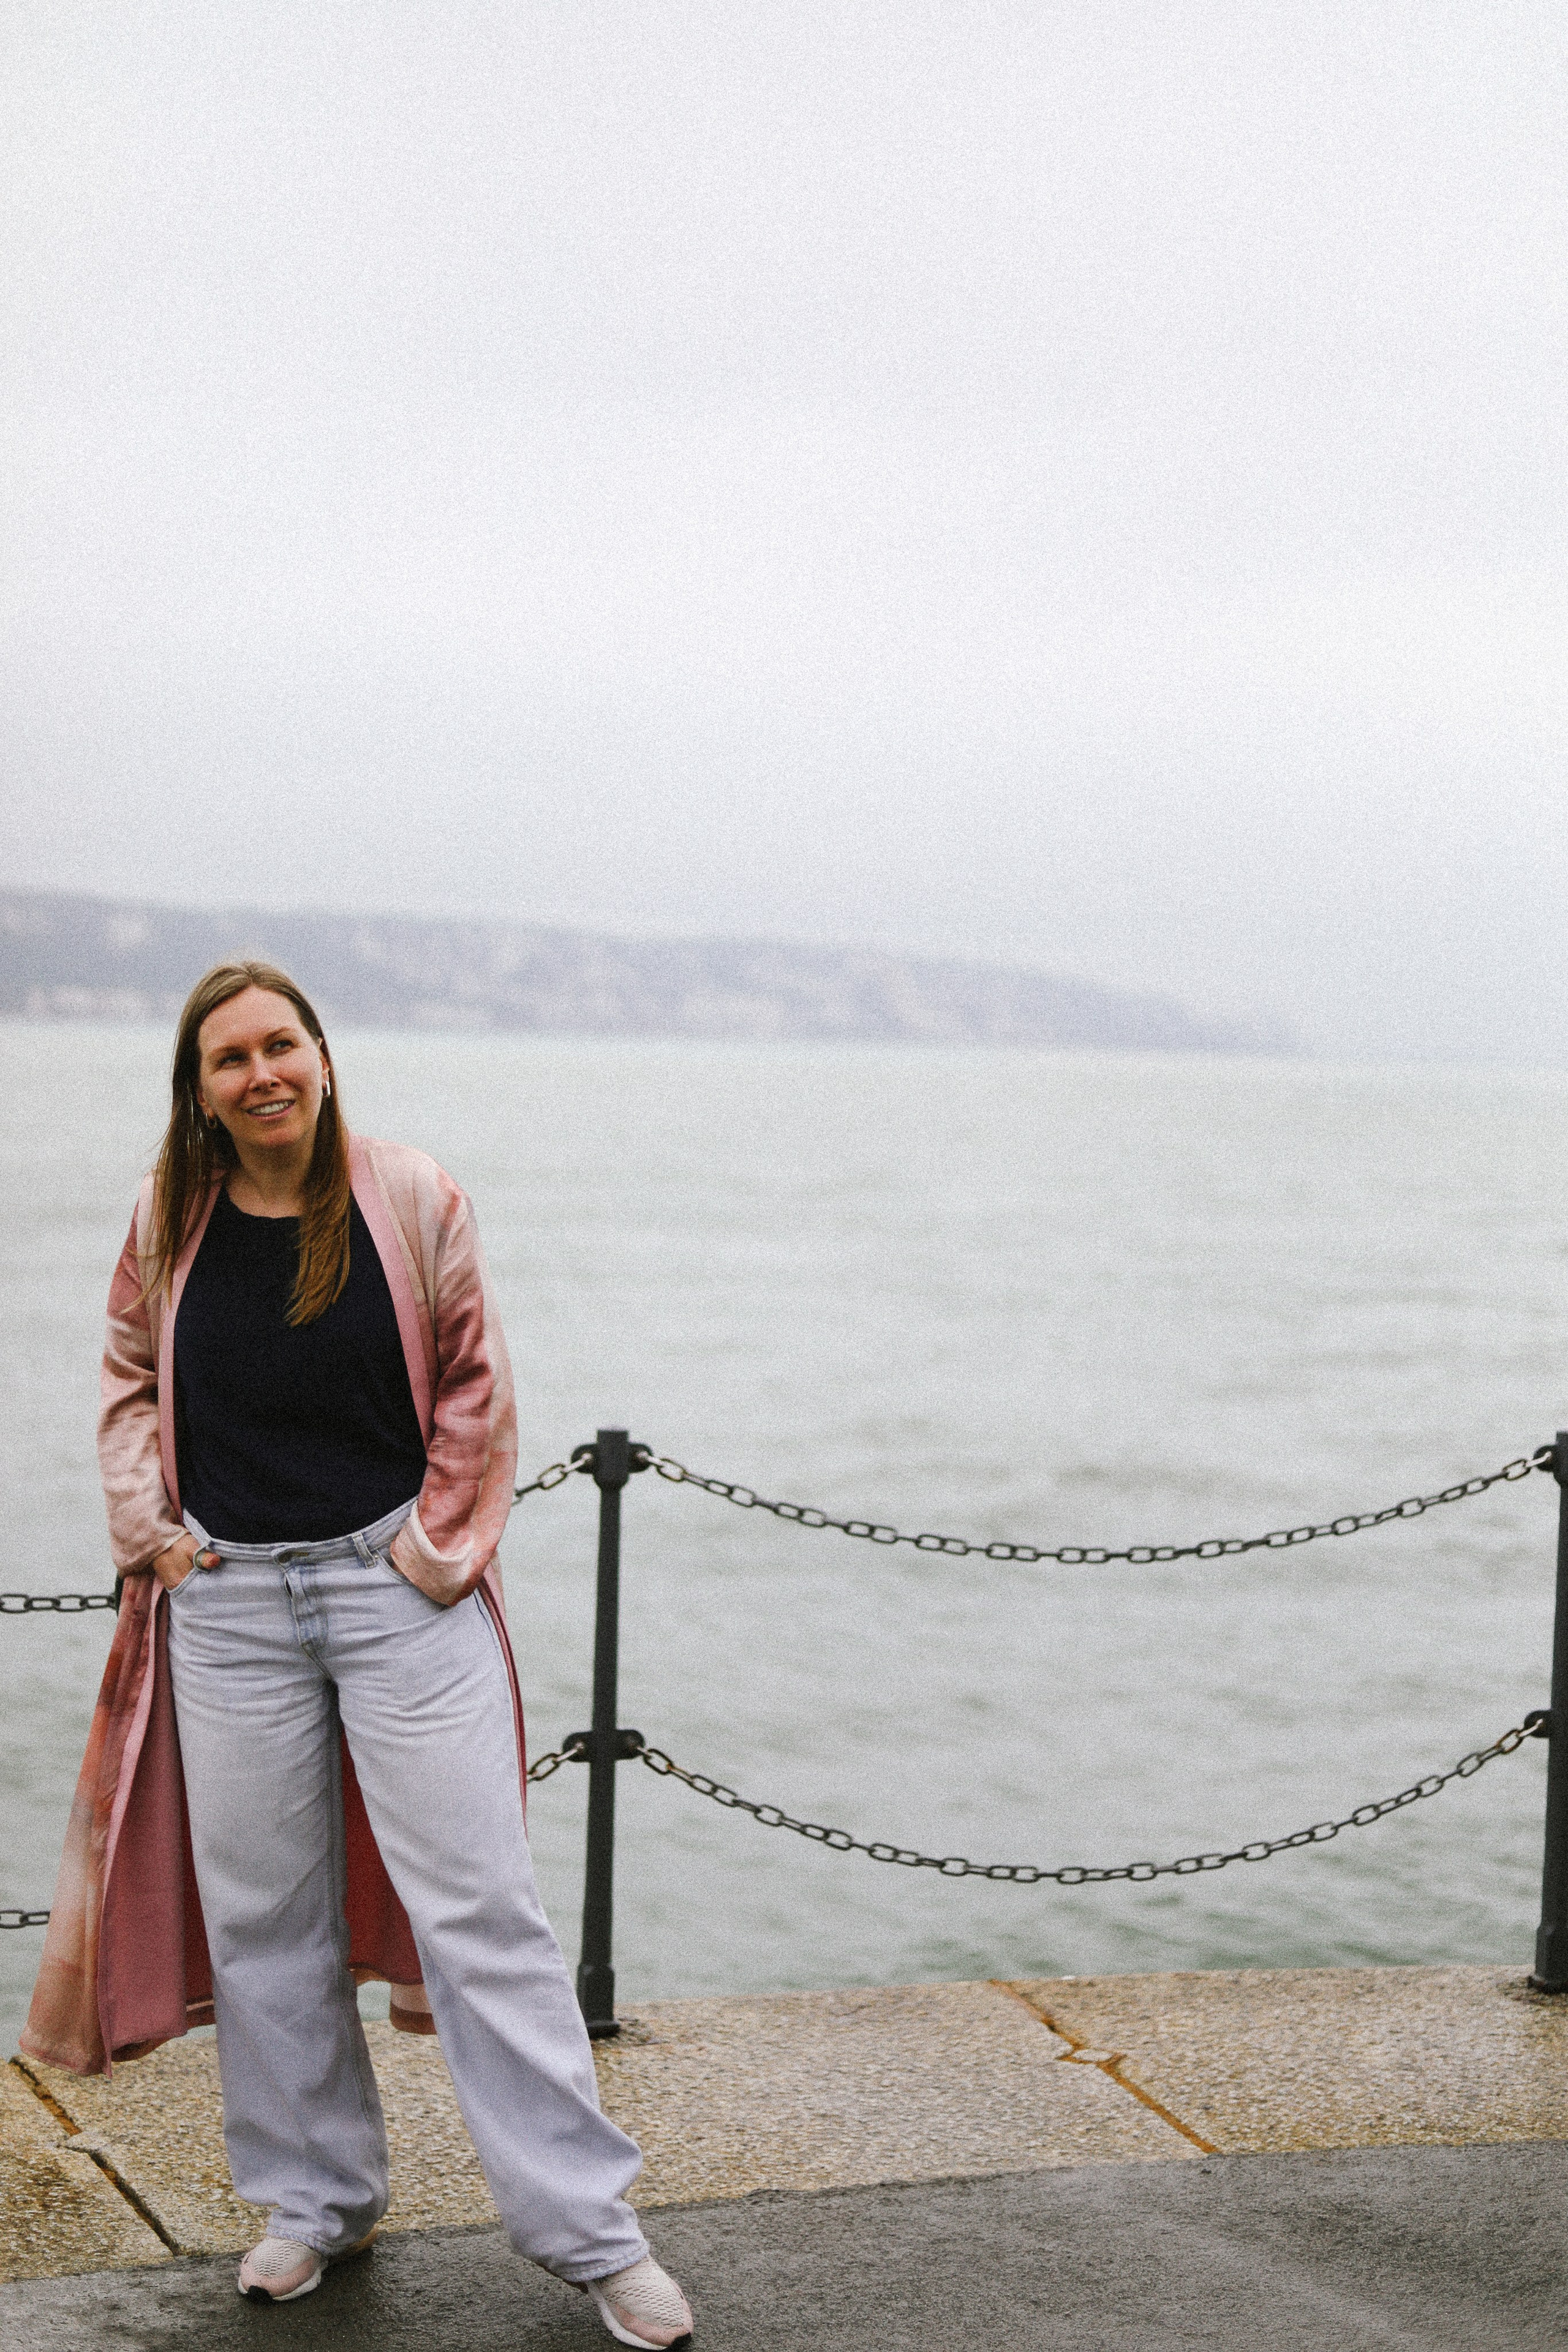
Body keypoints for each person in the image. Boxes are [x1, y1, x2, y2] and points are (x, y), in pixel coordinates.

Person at [23, 959, 694, 2348]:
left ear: (321, 1057)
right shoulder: (168, 1217)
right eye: (229, 1059)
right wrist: (156, 1538)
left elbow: (475, 1384)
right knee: (267, 1922)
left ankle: (590, 2233)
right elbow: (127, 1378)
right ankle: (312, 2200)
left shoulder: (411, 1195)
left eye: (281, 1045)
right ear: (197, 1089)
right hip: (228, 1608)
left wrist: (434, 1554)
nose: (260, 1074)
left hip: (399, 1597)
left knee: (483, 1916)